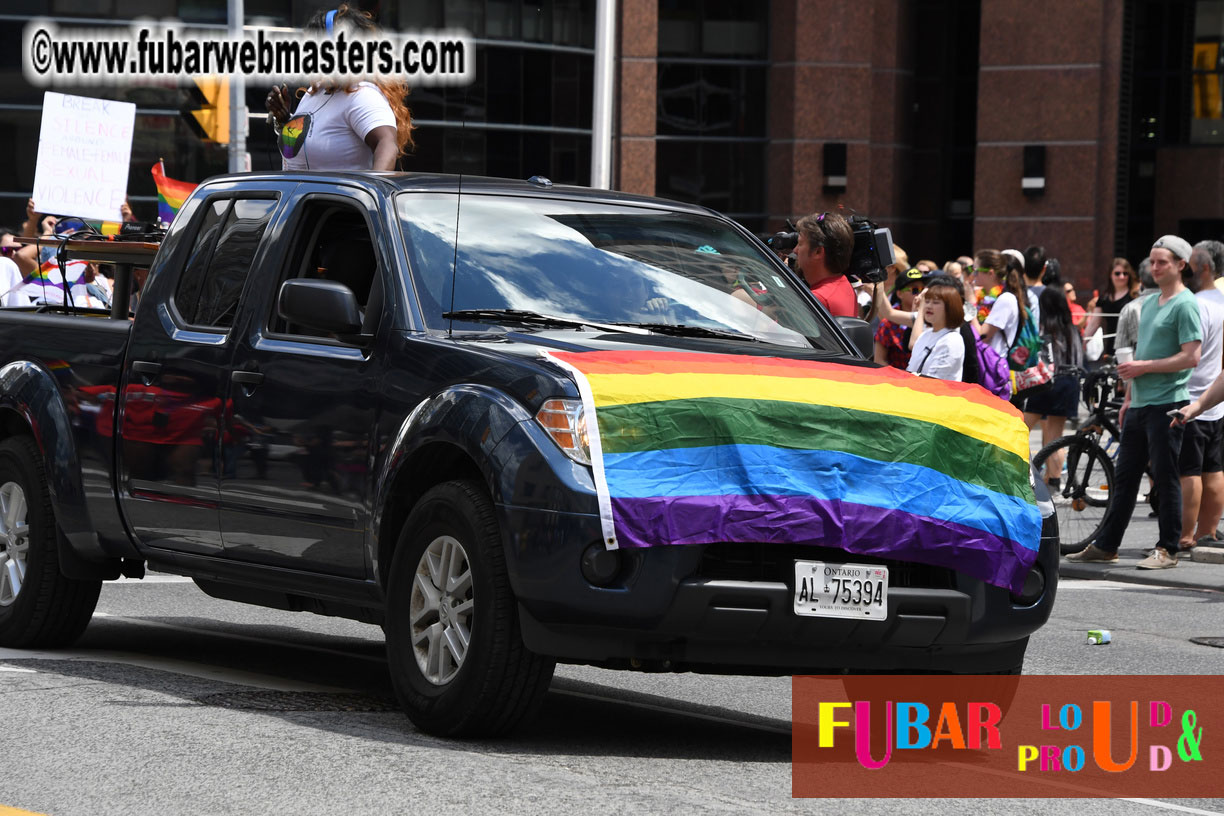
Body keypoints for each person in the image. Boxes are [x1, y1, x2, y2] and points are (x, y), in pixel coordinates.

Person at [1068, 235, 1203, 570]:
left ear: (1181, 265)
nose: (1154, 268)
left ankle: (1168, 549)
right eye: (1152, 261)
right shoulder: (1153, 302)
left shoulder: (1185, 304)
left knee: (1165, 475)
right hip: (1141, 403)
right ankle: (1107, 545)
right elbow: (1141, 353)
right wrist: (1129, 397)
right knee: (1126, 477)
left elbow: (1191, 357)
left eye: (1162, 262)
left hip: (1168, 402)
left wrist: (1143, 368)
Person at [265, 5, 415, 172]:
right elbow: (302, 147)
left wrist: (374, 190)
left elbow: (387, 145)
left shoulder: (362, 95)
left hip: (337, 198)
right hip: (301, 196)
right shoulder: (315, 93)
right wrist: (284, 118)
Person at [1172, 247, 1224, 553]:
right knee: (1213, 469)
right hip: (1216, 398)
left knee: (1188, 472)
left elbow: (1191, 352)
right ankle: (1208, 533)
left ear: (1203, 268)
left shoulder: (1196, 304)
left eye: (1189, 263)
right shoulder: (1221, 300)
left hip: (1192, 396)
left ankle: (1185, 536)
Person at [1022, 287, 1084, 487]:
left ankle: (1022, 472)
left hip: (1045, 382)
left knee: (1021, 428)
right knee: (1055, 437)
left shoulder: (1042, 328)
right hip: (1069, 383)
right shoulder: (1072, 329)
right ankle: (1054, 479)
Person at [792, 211, 857, 317]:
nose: (795, 250)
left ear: (818, 252)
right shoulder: (843, 282)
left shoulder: (818, 299)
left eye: (800, 244)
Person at [971, 248, 1028, 360]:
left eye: (976, 270)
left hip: (992, 368)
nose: (973, 274)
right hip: (978, 362)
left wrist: (970, 305)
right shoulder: (981, 296)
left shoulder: (1006, 299)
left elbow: (982, 336)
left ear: (990, 273)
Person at [906, 281, 966, 381]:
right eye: (927, 301)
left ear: (950, 308)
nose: (929, 306)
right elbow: (911, 369)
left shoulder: (952, 340)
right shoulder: (924, 335)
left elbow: (934, 381)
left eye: (936, 302)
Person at [1084, 257, 1139, 358]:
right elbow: (1093, 324)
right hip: (1111, 348)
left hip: (1132, 349)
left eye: (1125, 273)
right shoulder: (1104, 298)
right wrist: (1083, 343)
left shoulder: (1135, 296)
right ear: (1111, 275)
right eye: (1117, 273)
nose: (1122, 276)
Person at [872, 268, 924, 369]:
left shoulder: (930, 319)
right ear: (900, 294)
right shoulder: (887, 323)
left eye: (923, 290)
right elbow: (879, 360)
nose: (920, 294)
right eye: (915, 290)